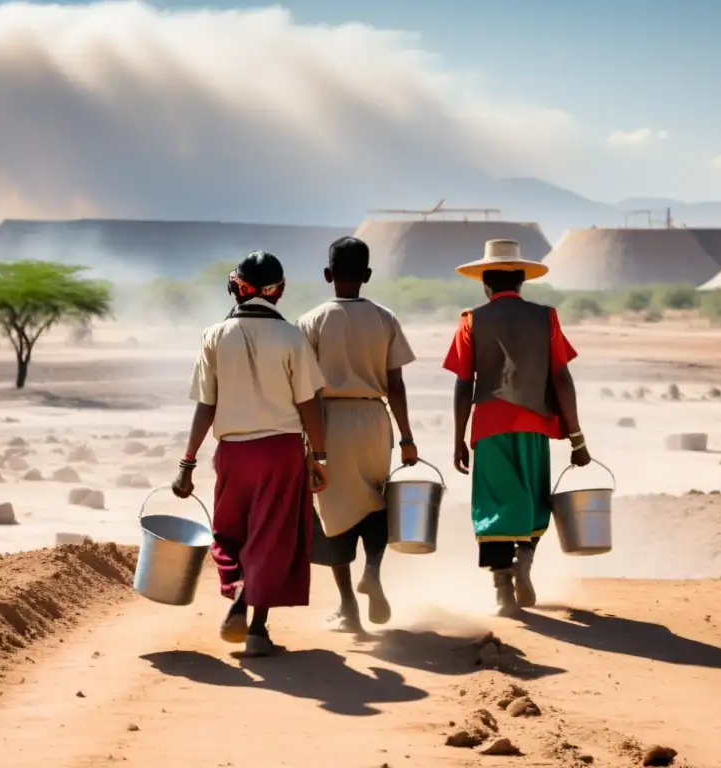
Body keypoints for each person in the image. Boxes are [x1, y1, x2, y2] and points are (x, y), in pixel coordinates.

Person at [172, 251, 329, 657]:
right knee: (273, 538)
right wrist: (321, 457)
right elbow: (309, 404)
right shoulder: (293, 336)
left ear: (235, 287)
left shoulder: (213, 335)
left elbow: (205, 405)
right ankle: (256, 628)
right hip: (282, 452)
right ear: (279, 292)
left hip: (233, 454)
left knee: (228, 534)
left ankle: (238, 589)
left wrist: (187, 463)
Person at [441, 239, 591, 617]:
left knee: (493, 505)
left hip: (489, 426)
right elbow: (562, 378)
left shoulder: (471, 319)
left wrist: (459, 438)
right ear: (522, 281)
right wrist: (577, 437)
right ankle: (524, 560)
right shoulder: (546, 318)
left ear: (484, 284)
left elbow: (463, 383)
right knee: (532, 499)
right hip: (535, 424)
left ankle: (502, 588)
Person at [297, 236, 418, 635]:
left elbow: (306, 390)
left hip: (328, 421)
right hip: (373, 418)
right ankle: (373, 569)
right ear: (367, 275)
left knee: (332, 513)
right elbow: (396, 384)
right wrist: (406, 437)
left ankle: (348, 606)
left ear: (328, 274)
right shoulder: (385, 318)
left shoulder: (312, 321)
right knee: (374, 498)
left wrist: (311, 444)